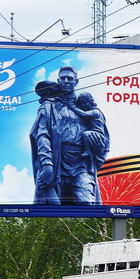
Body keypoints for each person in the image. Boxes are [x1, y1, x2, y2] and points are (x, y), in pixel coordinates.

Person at [29, 66, 110, 205]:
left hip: (81, 164)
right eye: (63, 78)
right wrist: (47, 165)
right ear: (58, 80)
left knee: (86, 203)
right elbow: (42, 136)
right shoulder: (48, 106)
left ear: (76, 82)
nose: (66, 81)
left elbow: (102, 137)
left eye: (70, 78)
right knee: (52, 212)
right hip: (57, 162)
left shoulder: (86, 106)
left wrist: (97, 141)